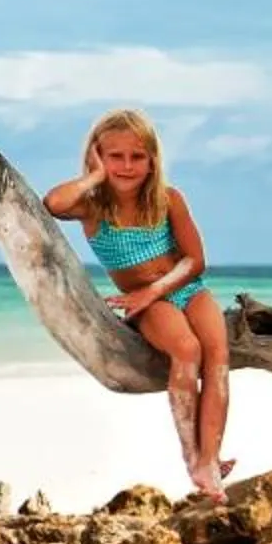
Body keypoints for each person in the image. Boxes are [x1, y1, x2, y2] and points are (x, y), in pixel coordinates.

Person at [43, 107, 231, 502]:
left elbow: (195, 260)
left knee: (217, 355)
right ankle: (191, 455)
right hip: (145, 305)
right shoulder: (94, 205)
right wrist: (94, 177)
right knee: (187, 349)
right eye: (115, 156)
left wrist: (155, 288)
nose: (127, 166)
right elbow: (53, 204)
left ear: (153, 160)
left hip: (185, 287)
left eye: (137, 157)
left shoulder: (167, 199)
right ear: (97, 156)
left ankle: (210, 460)